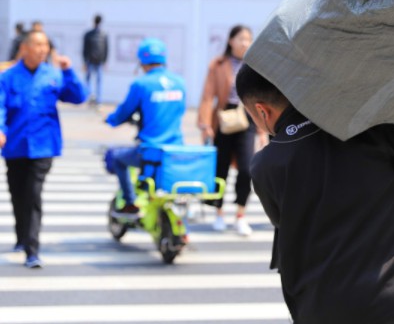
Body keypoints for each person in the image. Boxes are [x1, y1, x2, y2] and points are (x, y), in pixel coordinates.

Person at [235, 64, 394, 324]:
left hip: (321, 309)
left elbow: (284, 224)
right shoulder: (366, 125)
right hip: (393, 300)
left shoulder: (265, 166)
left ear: (262, 111)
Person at [0, 30, 87, 269]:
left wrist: (69, 72)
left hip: (43, 146)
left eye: (45, 45)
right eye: (37, 45)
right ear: (25, 48)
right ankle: (21, 237)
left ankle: (32, 250)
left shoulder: (53, 75)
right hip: (15, 146)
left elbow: (79, 97)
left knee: (33, 193)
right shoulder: (8, 77)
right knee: (18, 194)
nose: (42, 50)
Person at [197, 25, 267, 235]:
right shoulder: (218, 64)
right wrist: (205, 124)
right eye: (241, 39)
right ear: (231, 41)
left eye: (248, 39)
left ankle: (240, 214)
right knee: (221, 169)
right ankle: (219, 213)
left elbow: (261, 97)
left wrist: (263, 130)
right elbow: (208, 96)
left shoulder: (256, 65)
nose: (245, 43)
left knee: (247, 169)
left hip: (247, 118)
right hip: (223, 118)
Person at [106, 38, 186, 217]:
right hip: (176, 148)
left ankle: (129, 202)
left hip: (150, 150)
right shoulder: (180, 82)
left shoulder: (141, 84)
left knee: (117, 159)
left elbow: (124, 112)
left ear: (141, 61)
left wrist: (110, 120)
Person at [82, 14, 109, 106]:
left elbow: (106, 48)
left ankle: (98, 99)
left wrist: (104, 61)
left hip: (97, 61)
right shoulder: (91, 34)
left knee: (97, 80)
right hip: (92, 61)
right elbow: (85, 48)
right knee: (91, 80)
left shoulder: (103, 34)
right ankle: (91, 97)